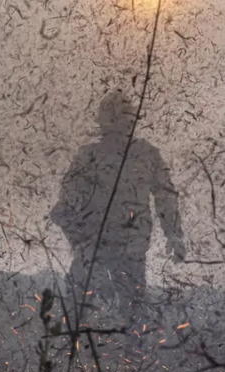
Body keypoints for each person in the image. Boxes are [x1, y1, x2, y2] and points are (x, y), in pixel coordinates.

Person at [51, 91, 185, 326]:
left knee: (133, 322)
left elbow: (166, 195)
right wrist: (83, 247)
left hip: (126, 253)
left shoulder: (146, 155)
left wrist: (174, 234)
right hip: (96, 253)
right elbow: (63, 210)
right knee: (75, 321)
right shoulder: (89, 156)